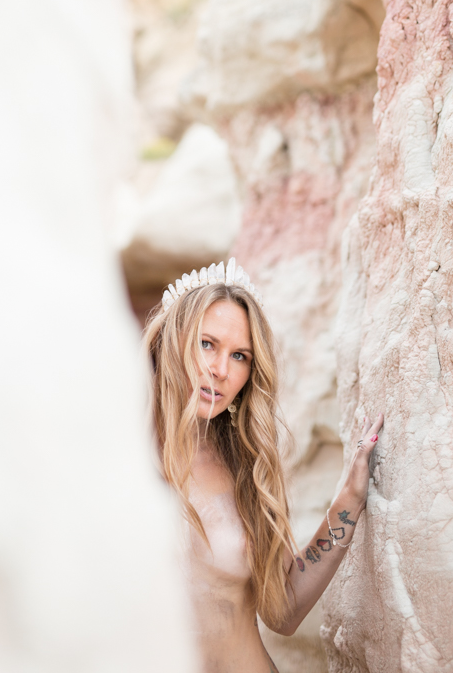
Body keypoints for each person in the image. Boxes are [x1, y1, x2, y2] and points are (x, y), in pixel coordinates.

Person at [144, 257, 384, 673]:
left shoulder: (245, 470)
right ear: (170, 340)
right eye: (207, 344)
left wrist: (350, 497)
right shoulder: (114, 455)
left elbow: (284, 610)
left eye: (240, 356)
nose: (220, 370)